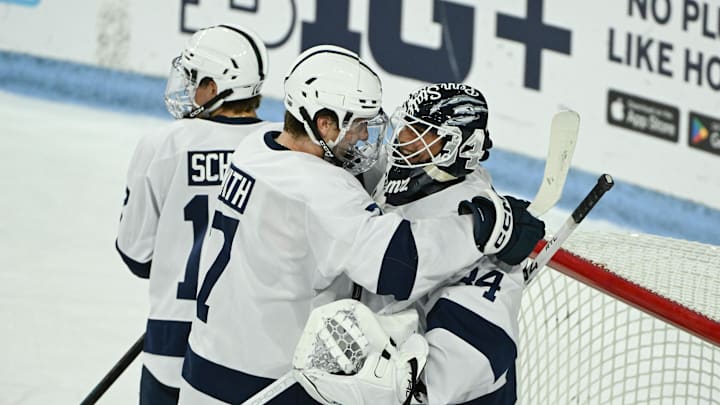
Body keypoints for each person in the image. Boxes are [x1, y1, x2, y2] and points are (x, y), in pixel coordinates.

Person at [178, 46, 543, 404]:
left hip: (201, 360)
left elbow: (355, 175)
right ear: (324, 123)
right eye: (356, 124)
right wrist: (483, 228)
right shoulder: (322, 192)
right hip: (262, 383)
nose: (367, 137)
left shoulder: (258, 144)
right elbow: (397, 263)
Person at [115, 24, 269, 404]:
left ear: (215, 88)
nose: (188, 88)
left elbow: (136, 255)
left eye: (195, 79)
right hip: (250, 357)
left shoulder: (163, 144)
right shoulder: (278, 153)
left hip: (171, 347)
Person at [370, 82, 542, 404]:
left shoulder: (483, 232)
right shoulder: (412, 178)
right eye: (406, 125)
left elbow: (451, 376)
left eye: (421, 130)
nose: (403, 138)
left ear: (458, 147)